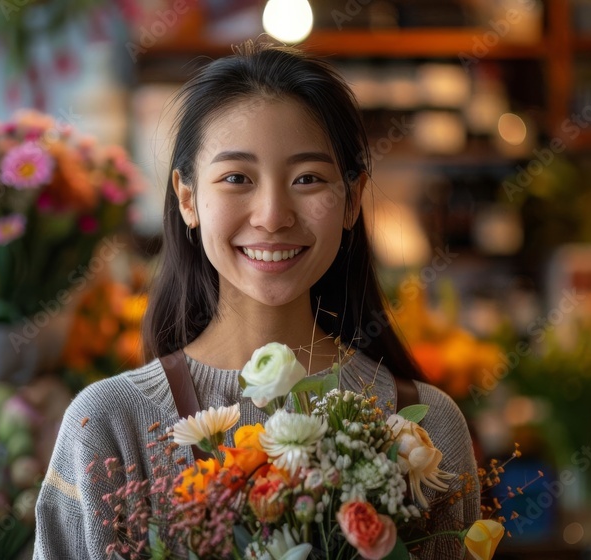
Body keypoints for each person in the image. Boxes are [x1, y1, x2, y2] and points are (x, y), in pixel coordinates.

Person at [34, 41, 480, 559]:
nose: (273, 214)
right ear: (187, 197)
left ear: (352, 200)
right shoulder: (110, 425)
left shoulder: (424, 425)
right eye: (237, 178)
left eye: (307, 179)